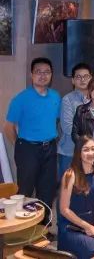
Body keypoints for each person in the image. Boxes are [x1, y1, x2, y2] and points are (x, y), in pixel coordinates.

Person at [4, 57, 60, 216]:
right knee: (25, 190)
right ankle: (23, 226)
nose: (43, 75)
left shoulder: (55, 96)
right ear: (31, 74)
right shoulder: (21, 98)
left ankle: (44, 225)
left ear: (51, 75)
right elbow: (8, 127)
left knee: (47, 190)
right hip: (27, 149)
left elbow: (55, 120)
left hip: (50, 148)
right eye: (38, 72)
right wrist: (19, 145)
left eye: (47, 72)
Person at [58, 136, 94, 259]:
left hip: (92, 224)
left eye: (93, 149)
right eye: (86, 150)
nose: (91, 153)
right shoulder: (70, 175)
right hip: (71, 228)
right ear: (79, 152)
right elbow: (64, 209)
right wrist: (86, 226)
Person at [59, 63, 91, 176]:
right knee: (69, 185)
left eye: (86, 76)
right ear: (72, 80)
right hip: (70, 153)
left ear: (91, 78)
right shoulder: (67, 100)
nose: (83, 80)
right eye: (78, 77)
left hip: (91, 154)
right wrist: (89, 139)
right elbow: (67, 127)